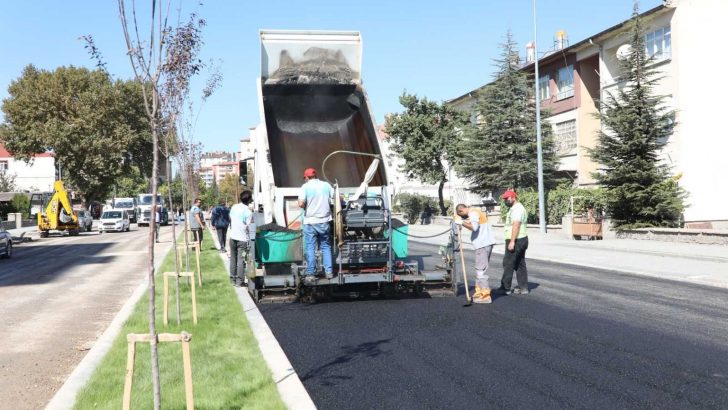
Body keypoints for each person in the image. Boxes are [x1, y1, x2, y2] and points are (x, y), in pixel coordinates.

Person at [455, 204, 496, 304]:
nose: (463, 217)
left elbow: (474, 227)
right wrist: (463, 222)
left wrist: (461, 222)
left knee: (480, 270)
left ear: (462, 210)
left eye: (461, 215)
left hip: (482, 244)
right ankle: (480, 292)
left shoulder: (473, 213)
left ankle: (485, 296)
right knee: (480, 269)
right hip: (485, 243)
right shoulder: (476, 212)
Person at [298, 167, 333, 284]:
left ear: (307, 177)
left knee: (310, 247)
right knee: (326, 246)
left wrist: (304, 204)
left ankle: (311, 273)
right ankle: (329, 272)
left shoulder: (305, 187)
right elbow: (336, 198)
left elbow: (301, 204)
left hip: (310, 222)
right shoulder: (326, 185)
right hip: (324, 221)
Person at [498, 189, 529, 295]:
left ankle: (505, 288)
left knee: (508, 263)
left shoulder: (517, 209)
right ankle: (523, 287)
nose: (505, 201)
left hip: (516, 239)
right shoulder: (515, 208)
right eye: (505, 199)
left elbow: (516, 224)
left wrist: (512, 241)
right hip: (521, 238)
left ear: (513, 197)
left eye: (507, 199)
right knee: (520, 263)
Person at [229, 190, 253, 286]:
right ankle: (239, 281)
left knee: (233, 259)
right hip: (242, 239)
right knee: (241, 260)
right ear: (249, 200)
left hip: (232, 237)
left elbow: (230, 218)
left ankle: (232, 279)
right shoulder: (248, 211)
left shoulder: (234, 207)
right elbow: (249, 226)